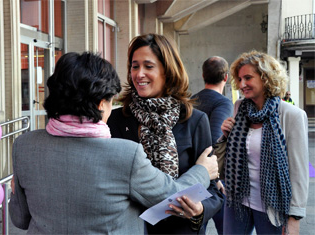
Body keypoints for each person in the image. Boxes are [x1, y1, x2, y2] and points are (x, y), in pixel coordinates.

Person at [8, 52, 220, 234]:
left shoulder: (24, 146)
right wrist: (202, 170)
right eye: (111, 101)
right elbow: (173, 196)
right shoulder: (126, 155)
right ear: (101, 104)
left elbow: (20, 219)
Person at [107, 34, 223, 234]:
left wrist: (200, 209)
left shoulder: (194, 120)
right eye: (135, 66)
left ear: (167, 71)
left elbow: (212, 189)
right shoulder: (116, 119)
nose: (139, 74)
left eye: (148, 66)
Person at [221, 50, 309, 234]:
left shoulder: (292, 115)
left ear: (266, 78)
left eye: (248, 78)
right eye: (239, 79)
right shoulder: (240, 107)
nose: (241, 84)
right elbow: (234, 152)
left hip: (272, 205)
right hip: (237, 200)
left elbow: (299, 172)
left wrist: (294, 218)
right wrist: (226, 135)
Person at [191, 56, 233, 234]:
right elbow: (215, 140)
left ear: (203, 75)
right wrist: (215, 180)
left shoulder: (192, 100)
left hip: (192, 174)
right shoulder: (223, 103)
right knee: (226, 229)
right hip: (214, 178)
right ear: (226, 77)